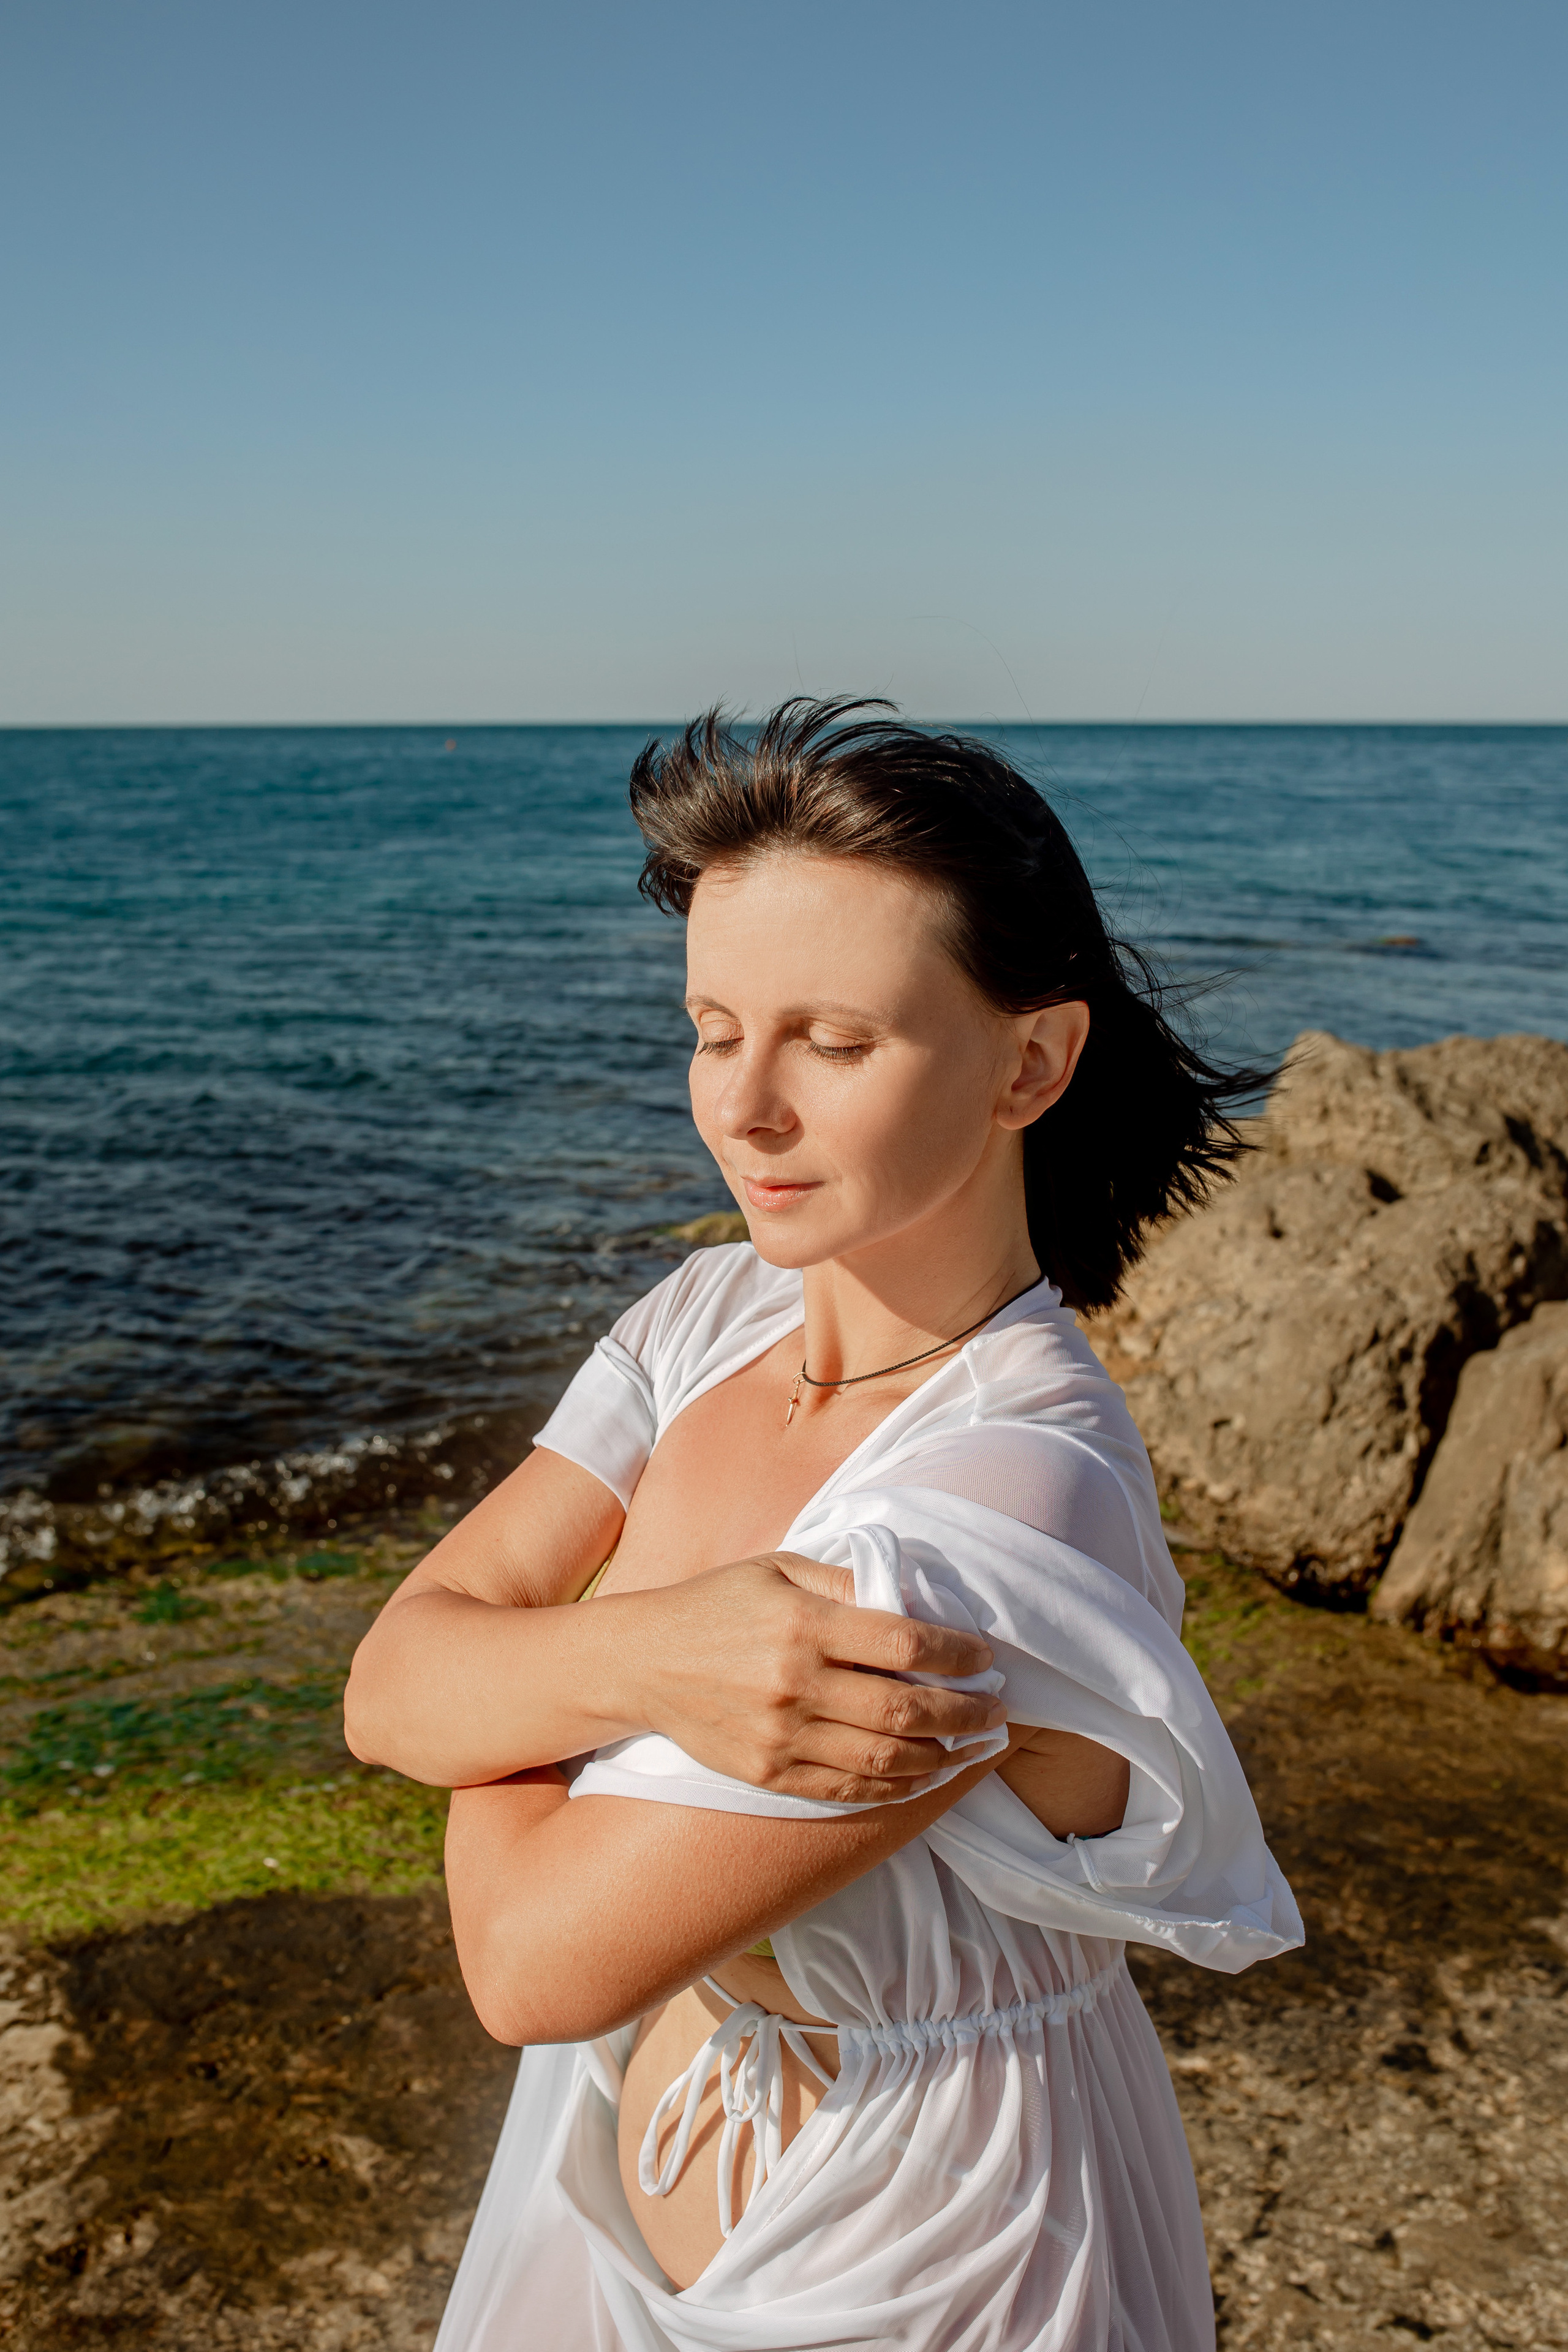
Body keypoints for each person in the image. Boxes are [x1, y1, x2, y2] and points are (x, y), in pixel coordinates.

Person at [344, 699, 1302, 2352]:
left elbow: (530, 1964)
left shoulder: (1004, 1505)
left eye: (836, 1043)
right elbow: (382, 1687)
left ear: (1033, 1061)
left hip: (931, 2269)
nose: (747, 1108)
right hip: (625, 2212)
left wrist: (515, 1688)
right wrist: (660, 1651)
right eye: (716, 1029)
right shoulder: (710, 1313)